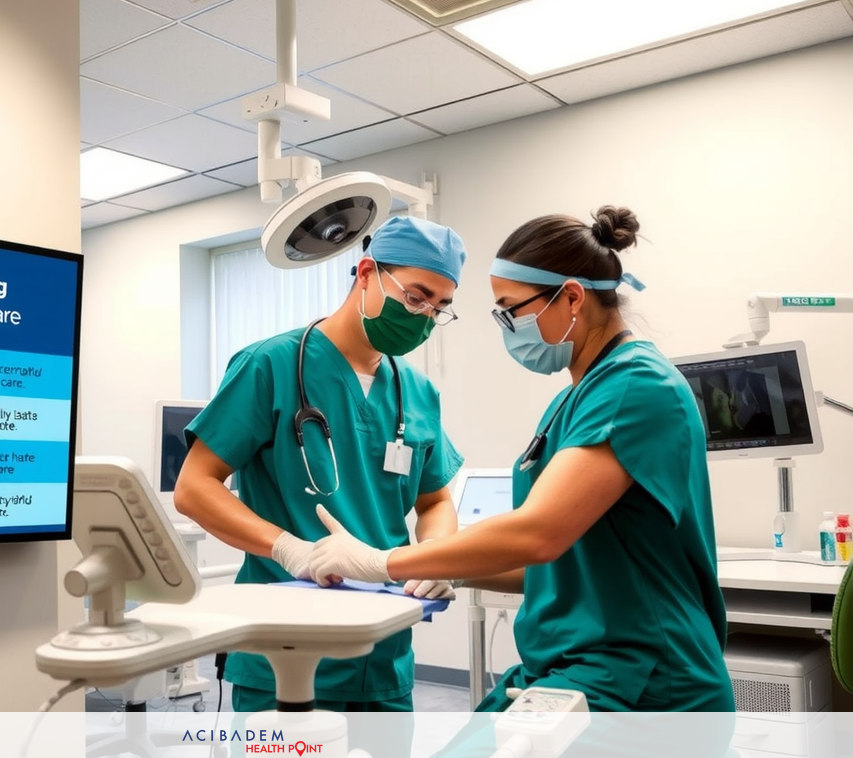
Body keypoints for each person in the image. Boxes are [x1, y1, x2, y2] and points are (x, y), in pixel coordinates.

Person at [308, 205, 735, 712]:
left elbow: (538, 534)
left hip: (642, 679)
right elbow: (564, 564)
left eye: (511, 308)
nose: (506, 325)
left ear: (571, 296)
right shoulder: (575, 399)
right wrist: (458, 571)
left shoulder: (635, 386)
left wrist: (383, 563)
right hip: (576, 666)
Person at [174, 215, 468, 714]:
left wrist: (434, 556)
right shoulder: (270, 364)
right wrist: (289, 549)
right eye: (416, 297)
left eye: (439, 308)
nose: (423, 318)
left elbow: (435, 498)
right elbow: (195, 487)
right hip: (283, 652)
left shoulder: (419, 392)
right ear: (367, 272)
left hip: (384, 655)